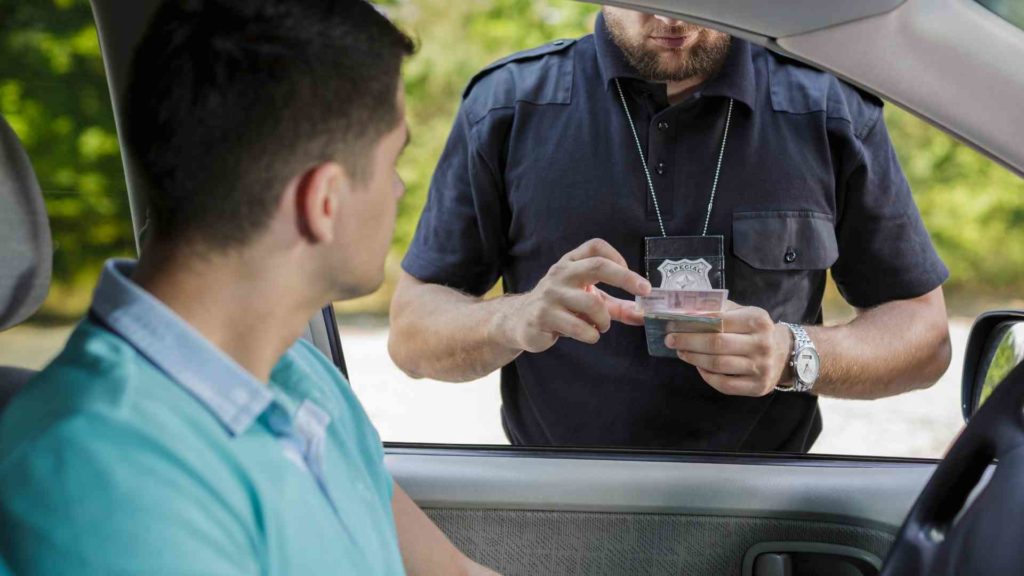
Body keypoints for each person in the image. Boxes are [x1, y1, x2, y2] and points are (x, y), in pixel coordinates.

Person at [0, 1, 497, 574]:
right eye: (392, 160)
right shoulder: (98, 476)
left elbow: (452, 572)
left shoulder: (297, 374)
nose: (400, 187)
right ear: (324, 202)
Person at [388, 7, 952, 453]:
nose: (670, 21)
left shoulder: (829, 110)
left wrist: (792, 353)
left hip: (765, 511)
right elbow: (412, 333)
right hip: (561, 503)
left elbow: (924, 337)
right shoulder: (508, 106)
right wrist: (512, 317)